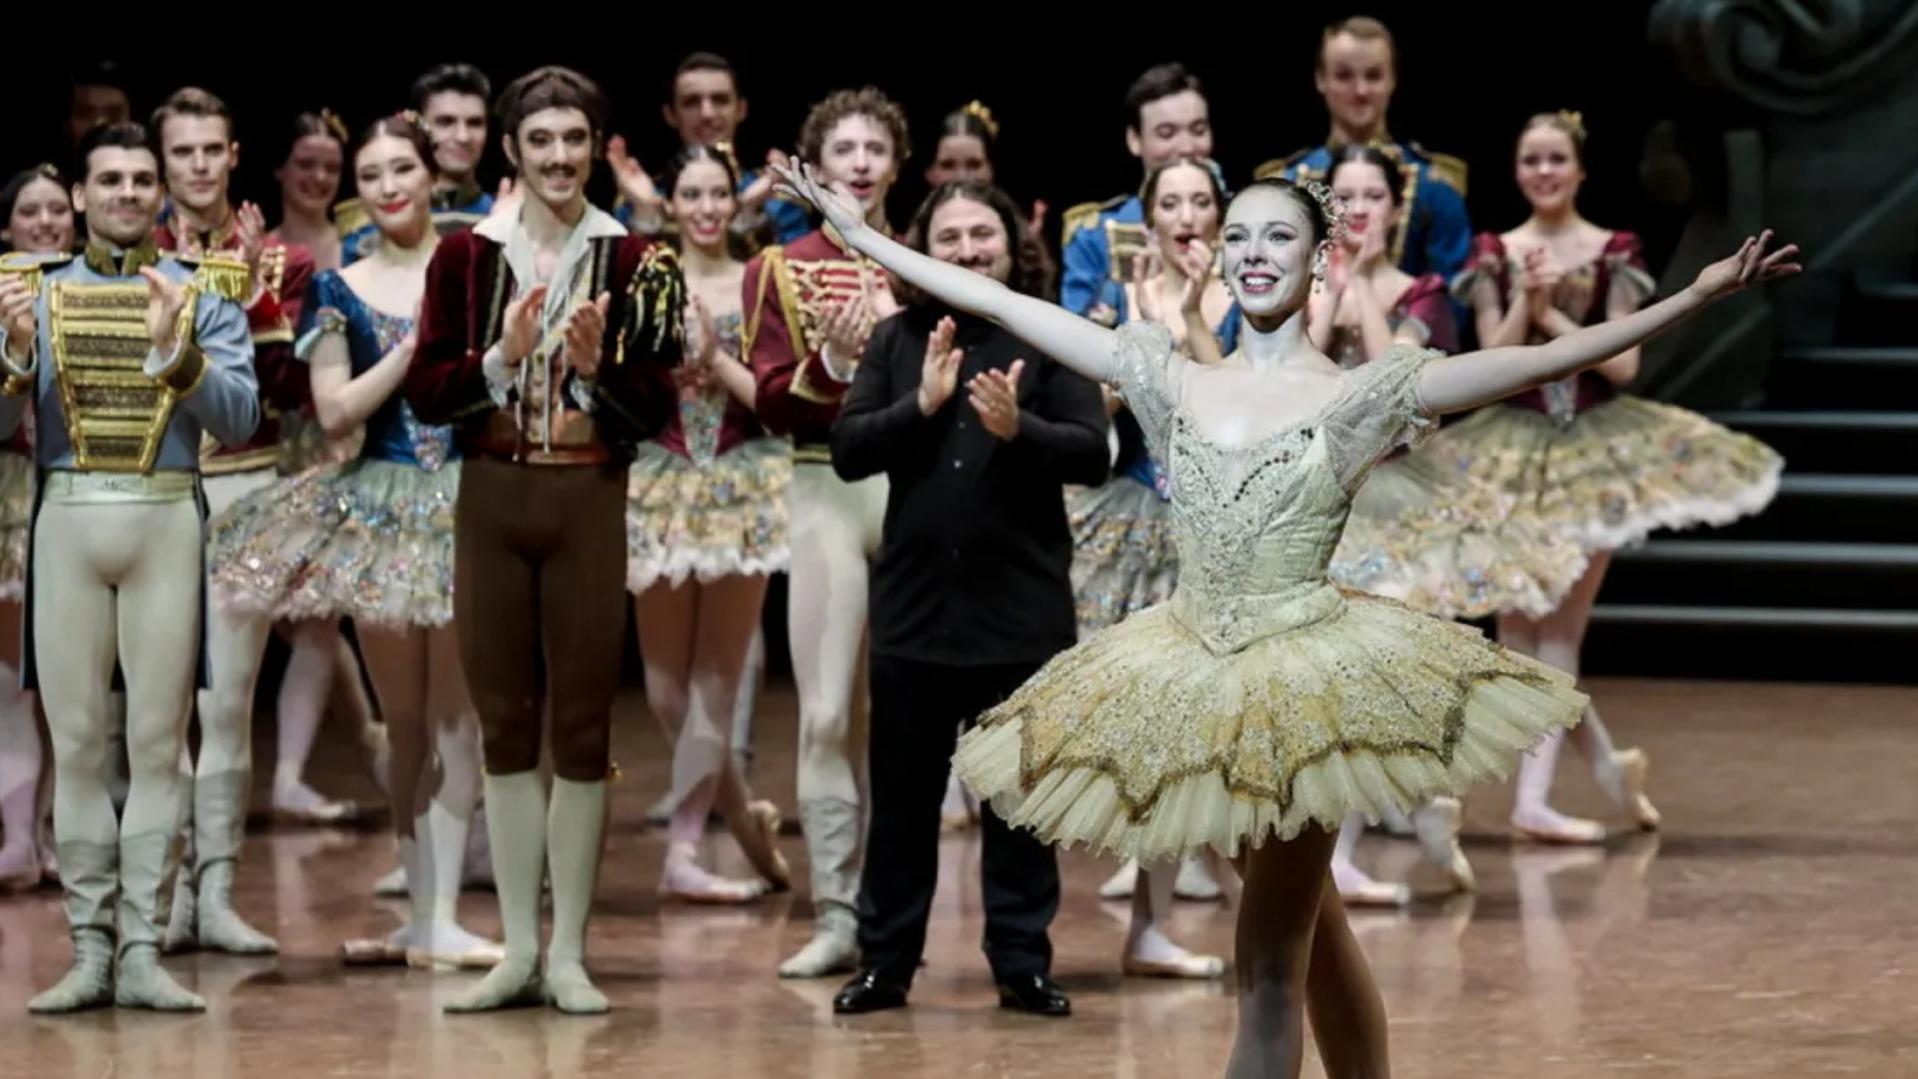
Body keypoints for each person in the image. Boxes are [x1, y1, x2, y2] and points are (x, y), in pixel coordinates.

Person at [775, 154, 1797, 1075]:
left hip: (1303, 691)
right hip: (1193, 682)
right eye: (1241, 237)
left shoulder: (1358, 396)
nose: (1256, 252)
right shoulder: (1166, 376)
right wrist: (864, 237)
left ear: (1318, 261)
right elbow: (998, 295)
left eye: (1280, 236)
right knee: (1317, 935)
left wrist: (1692, 297)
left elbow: (1532, 364)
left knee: (1263, 963)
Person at [403, 65, 684, 1015]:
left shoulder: (636, 258)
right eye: (541, 142)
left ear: (591, 146)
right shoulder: (464, 258)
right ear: (511, 152)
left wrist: (601, 370)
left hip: (586, 500)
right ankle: (517, 950)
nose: (559, 157)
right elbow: (428, 391)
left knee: (581, 727)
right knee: (505, 725)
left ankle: (568, 951)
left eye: (573, 140)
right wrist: (502, 359)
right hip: (491, 498)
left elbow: (655, 409)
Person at [1438, 112, 1783, 843]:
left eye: (1556, 159)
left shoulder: (1610, 249)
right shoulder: (1499, 250)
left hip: (1588, 452)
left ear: (1580, 169)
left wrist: (1557, 318)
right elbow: (1485, 365)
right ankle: (1606, 766)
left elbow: (1623, 365)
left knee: (1557, 627)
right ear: (1517, 169)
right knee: (1513, 628)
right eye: (1531, 159)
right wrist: (1527, 307)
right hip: (1510, 447)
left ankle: (1534, 798)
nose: (1544, 171)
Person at [208, 113, 503, 970]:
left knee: (456, 717)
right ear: (356, 192)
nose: (387, 184)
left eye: (400, 167)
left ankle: (445, 908)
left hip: (460, 502)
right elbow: (334, 411)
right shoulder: (339, 286)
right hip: (377, 502)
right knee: (404, 721)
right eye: (369, 174)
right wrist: (412, 352)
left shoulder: (473, 271)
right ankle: (422, 913)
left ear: (429, 175)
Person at [1, 121, 262, 1012]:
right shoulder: (25, 293)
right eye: (108, 178)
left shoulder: (206, 292)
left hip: (165, 516)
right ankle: (89, 951)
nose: (125, 191)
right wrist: (11, 357)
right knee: (77, 750)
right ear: (78, 195)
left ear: (160, 194)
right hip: (67, 519)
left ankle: (144, 949)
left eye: (140, 178)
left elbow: (240, 419)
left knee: (157, 748)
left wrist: (173, 351)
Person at [827, 180, 1105, 1017]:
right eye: (949, 236)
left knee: (1022, 806)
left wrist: (1019, 431)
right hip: (914, 613)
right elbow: (845, 450)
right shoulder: (895, 339)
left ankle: (1021, 959)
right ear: (922, 249)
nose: (966, 249)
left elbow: (1093, 453)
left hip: (1020, 616)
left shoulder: (1050, 338)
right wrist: (920, 406)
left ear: (1011, 245)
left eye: (982, 233)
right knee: (904, 805)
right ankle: (887, 962)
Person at [743, 86, 908, 979]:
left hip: (918, 495)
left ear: (894, 161)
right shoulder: (780, 267)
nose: (859, 161)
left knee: (913, 722)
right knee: (827, 714)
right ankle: (837, 912)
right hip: (824, 488)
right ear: (814, 167)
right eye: (841, 148)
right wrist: (836, 359)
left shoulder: (927, 262)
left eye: (873, 147)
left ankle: (896, 916)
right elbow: (770, 397)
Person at [625, 143, 791, 903]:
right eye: (689, 193)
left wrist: (717, 358)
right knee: (664, 688)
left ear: (736, 201)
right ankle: (741, 809)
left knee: (716, 682)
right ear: (671, 201)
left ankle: (684, 850)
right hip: (659, 479)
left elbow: (775, 395)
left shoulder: (759, 279)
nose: (704, 207)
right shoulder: (647, 276)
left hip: (740, 479)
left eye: (717, 193)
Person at [1256, 15, 1471, 283]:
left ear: (1393, 79)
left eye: (1373, 76)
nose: (1360, 90)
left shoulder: (1436, 188)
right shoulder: (1284, 186)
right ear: (1321, 79)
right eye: (1344, 76)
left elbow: (1451, 300)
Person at [0, 165, 74, 893]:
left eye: (58, 208)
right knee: (12, 681)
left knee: (65, 686)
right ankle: (21, 834)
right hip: (14, 499)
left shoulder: (92, 287)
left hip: (83, 494)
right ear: (7, 224)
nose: (47, 221)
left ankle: (48, 832)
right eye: (31, 210)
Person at [1060, 63, 1213, 324]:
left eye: (1198, 131)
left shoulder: (1242, 222)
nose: (1187, 147)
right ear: (1134, 139)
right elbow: (1076, 339)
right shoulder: (1093, 236)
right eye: (1167, 134)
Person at [605, 51, 810, 245]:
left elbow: (791, 276)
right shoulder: (639, 199)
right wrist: (647, 212)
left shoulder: (776, 200)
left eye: (720, 100)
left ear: (741, 109)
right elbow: (624, 277)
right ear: (671, 114)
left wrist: (750, 209)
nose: (707, 113)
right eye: (691, 102)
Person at [338, 63, 496, 263]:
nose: (463, 136)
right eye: (445, 122)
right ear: (418, 128)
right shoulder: (369, 228)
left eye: (475, 123)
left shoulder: (506, 217)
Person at [272, 110, 348, 272]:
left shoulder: (355, 248)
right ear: (280, 168)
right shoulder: (258, 250)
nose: (320, 177)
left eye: (332, 168)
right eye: (306, 164)